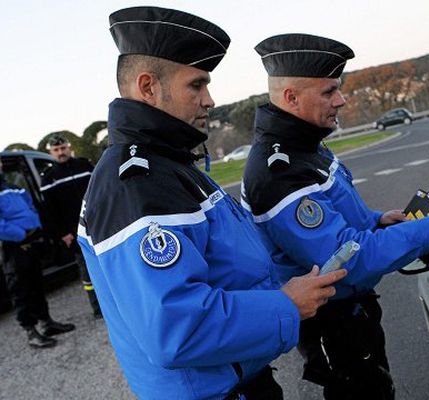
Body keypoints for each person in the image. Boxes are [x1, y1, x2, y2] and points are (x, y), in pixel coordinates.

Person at [77, 7, 346, 400]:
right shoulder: (139, 183)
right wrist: (284, 304)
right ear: (148, 87)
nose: (209, 100)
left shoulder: (168, 163)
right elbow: (177, 330)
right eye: (196, 86)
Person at [242, 33, 429, 399]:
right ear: (291, 97)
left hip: (352, 314)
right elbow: (346, 259)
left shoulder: (305, 145)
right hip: (332, 324)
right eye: (328, 92)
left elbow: (337, 217)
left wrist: (376, 220)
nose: (341, 100)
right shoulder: (279, 170)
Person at [0, 160, 75, 348]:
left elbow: (30, 207)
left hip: (32, 242)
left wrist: (35, 226)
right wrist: (21, 235)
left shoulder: (13, 187)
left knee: (36, 284)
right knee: (20, 290)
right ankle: (30, 332)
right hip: (14, 246)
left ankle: (47, 323)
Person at [41, 133, 101, 318]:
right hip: (75, 232)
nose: (61, 152)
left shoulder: (84, 165)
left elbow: (100, 191)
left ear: (69, 147)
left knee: (107, 262)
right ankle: (97, 308)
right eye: (56, 150)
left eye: (63, 148)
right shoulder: (49, 177)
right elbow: (49, 211)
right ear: (51, 152)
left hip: (98, 225)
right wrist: (63, 233)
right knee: (87, 270)